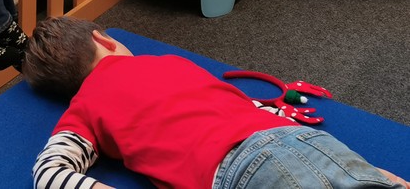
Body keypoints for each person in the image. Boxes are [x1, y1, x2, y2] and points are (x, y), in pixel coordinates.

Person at [22, 16, 409, 189]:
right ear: (103, 40)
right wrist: (364, 168)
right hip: (304, 141)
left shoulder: (84, 107)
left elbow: (49, 172)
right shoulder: (171, 63)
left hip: (242, 168)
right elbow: (252, 109)